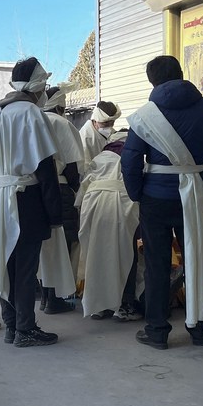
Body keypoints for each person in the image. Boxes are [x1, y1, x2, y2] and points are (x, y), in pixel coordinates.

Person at [121, 55, 203, 349]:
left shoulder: (145, 115)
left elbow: (130, 159)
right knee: (197, 259)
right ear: (182, 74)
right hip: (194, 195)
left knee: (157, 265)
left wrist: (137, 193)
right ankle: (199, 328)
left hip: (155, 198)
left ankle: (157, 330)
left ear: (152, 81)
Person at [0, 57, 62, 347]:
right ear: (38, 85)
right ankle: (25, 329)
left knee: (6, 264)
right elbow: (45, 166)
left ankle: (12, 326)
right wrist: (55, 212)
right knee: (25, 268)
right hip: (25, 199)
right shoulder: (29, 113)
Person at [75, 131, 142, 321]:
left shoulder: (99, 157)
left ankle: (98, 305)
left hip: (93, 207)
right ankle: (124, 306)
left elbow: (83, 188)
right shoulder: (131, 155)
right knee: (124, 256)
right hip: (120, 207)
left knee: (95, 256)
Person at [38, 83, 83, 314]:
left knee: (45, 246)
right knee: (63, 246)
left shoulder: (33, 118)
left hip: (36, 190)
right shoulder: (61, 123)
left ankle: (45, 297)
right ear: (61, 106)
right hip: (61, 189)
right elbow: (73, 164)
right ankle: (55, 299)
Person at [79, 100, 121, 168]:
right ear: (95, 121)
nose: (109, 127)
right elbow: (85, 166)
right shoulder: (85, 136)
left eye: (112, 122)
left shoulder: (113, 133)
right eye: (105, 123)